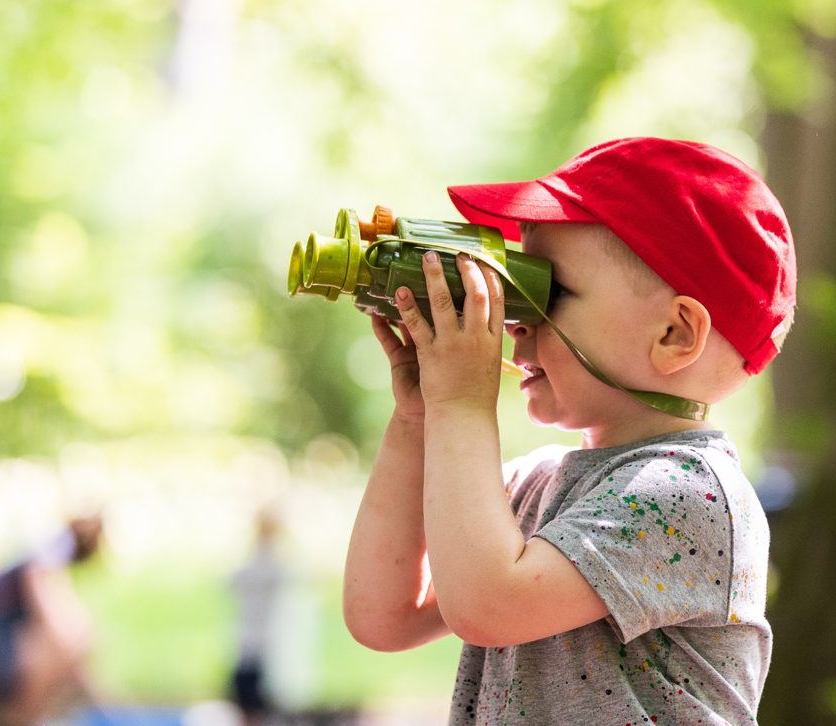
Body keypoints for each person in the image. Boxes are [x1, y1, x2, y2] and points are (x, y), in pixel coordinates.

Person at [342, 137, 796, 724]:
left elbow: (488, 603)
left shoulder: (690, 495)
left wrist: (462, 405)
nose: (514, 318)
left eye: (545, 290)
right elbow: (384, 616)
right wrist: (419, 420)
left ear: (675, 334)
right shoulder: (536, 486)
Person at [0, 516, 103, 726]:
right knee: (55, 644)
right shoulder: (52, 551)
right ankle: (25, 719)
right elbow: (62, 627)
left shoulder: (47, 549)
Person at [229, 510, 285, 726]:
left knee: (255, 700)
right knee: (251, 699)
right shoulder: (268, 566)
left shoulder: (269, 566)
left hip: (258, 642)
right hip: (253, 642)